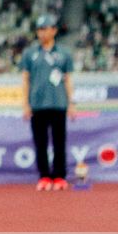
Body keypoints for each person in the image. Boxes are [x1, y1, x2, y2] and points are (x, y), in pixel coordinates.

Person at [20, 12, 76, 191]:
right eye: (39, 29)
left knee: (60, 141)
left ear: (54, 30)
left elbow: (68, 79)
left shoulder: (64, 54)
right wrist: (25, 104)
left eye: (46, 29)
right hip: (37, 104)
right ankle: (44, 176)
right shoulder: (30, 54)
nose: (42, 33)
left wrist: (72, 103)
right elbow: (25, 80)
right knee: (40, 142)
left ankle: (59, 176)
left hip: (59, 103)